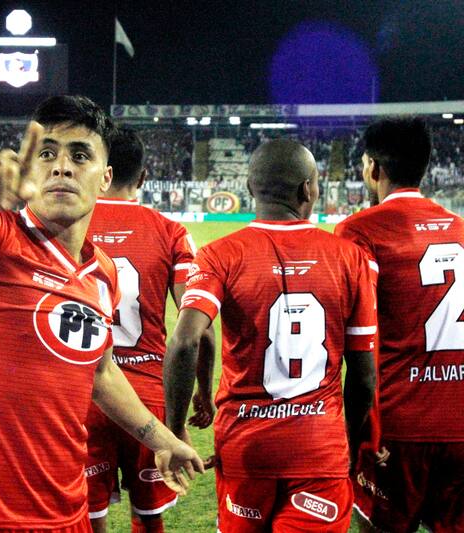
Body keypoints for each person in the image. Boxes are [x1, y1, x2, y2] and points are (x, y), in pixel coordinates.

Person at [0, 95, 204, 533]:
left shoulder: (101, 272)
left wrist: (162, 440)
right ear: (29, 169)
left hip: (67, 515)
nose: (62, 167)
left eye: (80, 155)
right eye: (47, 153)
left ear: (105, 178)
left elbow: (102, 372)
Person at [164, 139, 377, 532]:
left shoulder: (218, 254)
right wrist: (352, 443)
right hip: (319, 449)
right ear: (308, 189)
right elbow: (363, 377)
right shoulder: (350, 258)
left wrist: (174, 428)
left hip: (247, 449)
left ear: (249, 188)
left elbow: (184, 341)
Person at [335, 117, 464, 533]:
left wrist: (355, 439)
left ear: (374, 168)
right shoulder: (461, 229)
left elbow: (353, 348)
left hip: (397, 428)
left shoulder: (359, 232)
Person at [84, 127, 214, 533]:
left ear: (101, 172)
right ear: (142, 178)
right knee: (149, 515)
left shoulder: (67, 224)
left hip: (82, 395)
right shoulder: (170, 231)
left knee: (87, 516)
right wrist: (203, 392)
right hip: (147, 397)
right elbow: (200, 329)